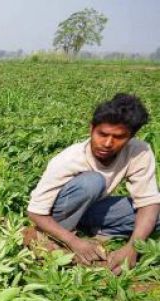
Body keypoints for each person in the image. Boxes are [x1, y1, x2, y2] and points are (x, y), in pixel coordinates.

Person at [27, 93, 160, 274]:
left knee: (155, 212)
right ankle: (51, 236)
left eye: (119, 137)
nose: (107, 143)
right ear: (91, 128)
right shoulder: (70, 159)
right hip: (58, 214)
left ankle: (92, 232)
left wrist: (133, 248)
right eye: (102, 134)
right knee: (92, 182)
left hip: (91, 210)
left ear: (131, 136)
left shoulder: (139, 152)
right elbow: (35, 212)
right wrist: (73, 242)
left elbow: (148, 203)